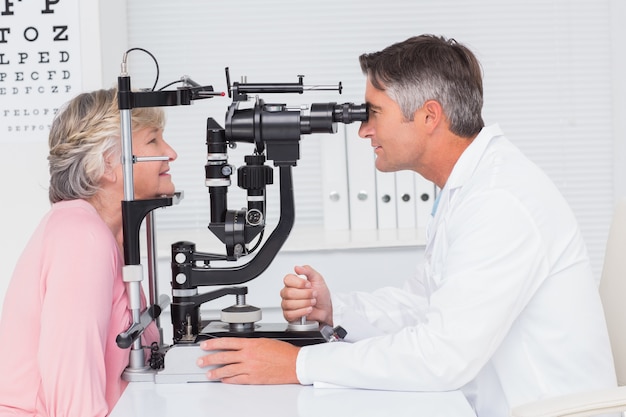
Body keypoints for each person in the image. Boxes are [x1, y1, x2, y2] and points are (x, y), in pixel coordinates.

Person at [196, 35, 617, 416]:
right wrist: (336, 310)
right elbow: (425, 305)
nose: (363, 130)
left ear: (429, 116)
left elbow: (441, 356)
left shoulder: (500, 201)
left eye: (375, 112)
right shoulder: (466, 188)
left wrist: (297, 364)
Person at [0, 88, 177, 417]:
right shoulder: (80, 237)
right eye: (153, 141)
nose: (171, 153)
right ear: (108, 163)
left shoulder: (107, 235)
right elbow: (73, 402)